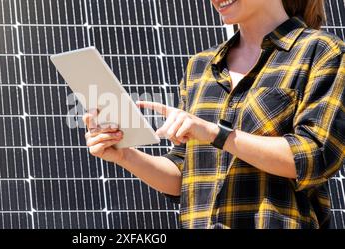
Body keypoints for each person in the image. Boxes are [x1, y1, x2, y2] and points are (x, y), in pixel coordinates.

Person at [83, 0, 344, 228]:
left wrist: (214, 133)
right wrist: (125, 155)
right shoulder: (200, 67)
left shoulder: (321, 51)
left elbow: (315, 157)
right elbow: (185, 176)